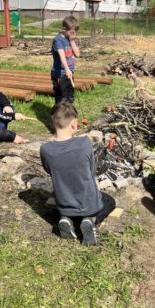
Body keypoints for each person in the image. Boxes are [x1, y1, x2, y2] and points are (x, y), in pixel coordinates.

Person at [40, 103, 116, 245]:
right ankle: (90, 220)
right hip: (89, 203)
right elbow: (92, 170)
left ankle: (66, 219)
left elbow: (48, 169)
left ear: (51, 123)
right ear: (74, 123)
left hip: (64, 203)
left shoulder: (45, 149)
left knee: (60, 203)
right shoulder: (84, 143)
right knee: (110, 201)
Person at [51, 15, 80, 104]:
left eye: (75, 32)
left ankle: (69, 116)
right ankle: (60, 116)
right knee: (61, 98)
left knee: (70, 96)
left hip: (70, 72)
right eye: (71, 32)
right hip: (60, 74)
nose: (73, 34)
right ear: (64, 29)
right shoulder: (58, 40)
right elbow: (62, 56)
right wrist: (67, 69)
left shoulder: (69, 39)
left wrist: (72, 41)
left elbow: (78, 54)